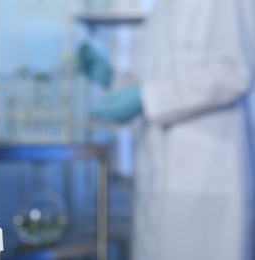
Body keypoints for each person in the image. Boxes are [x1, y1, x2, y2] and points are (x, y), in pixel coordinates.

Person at [93, 0, 255, 259]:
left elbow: (236, 71)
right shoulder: (162, 8)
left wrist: (146, 98)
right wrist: (114, 78)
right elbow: (159, 81)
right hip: (157, 182)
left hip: (205, 183)